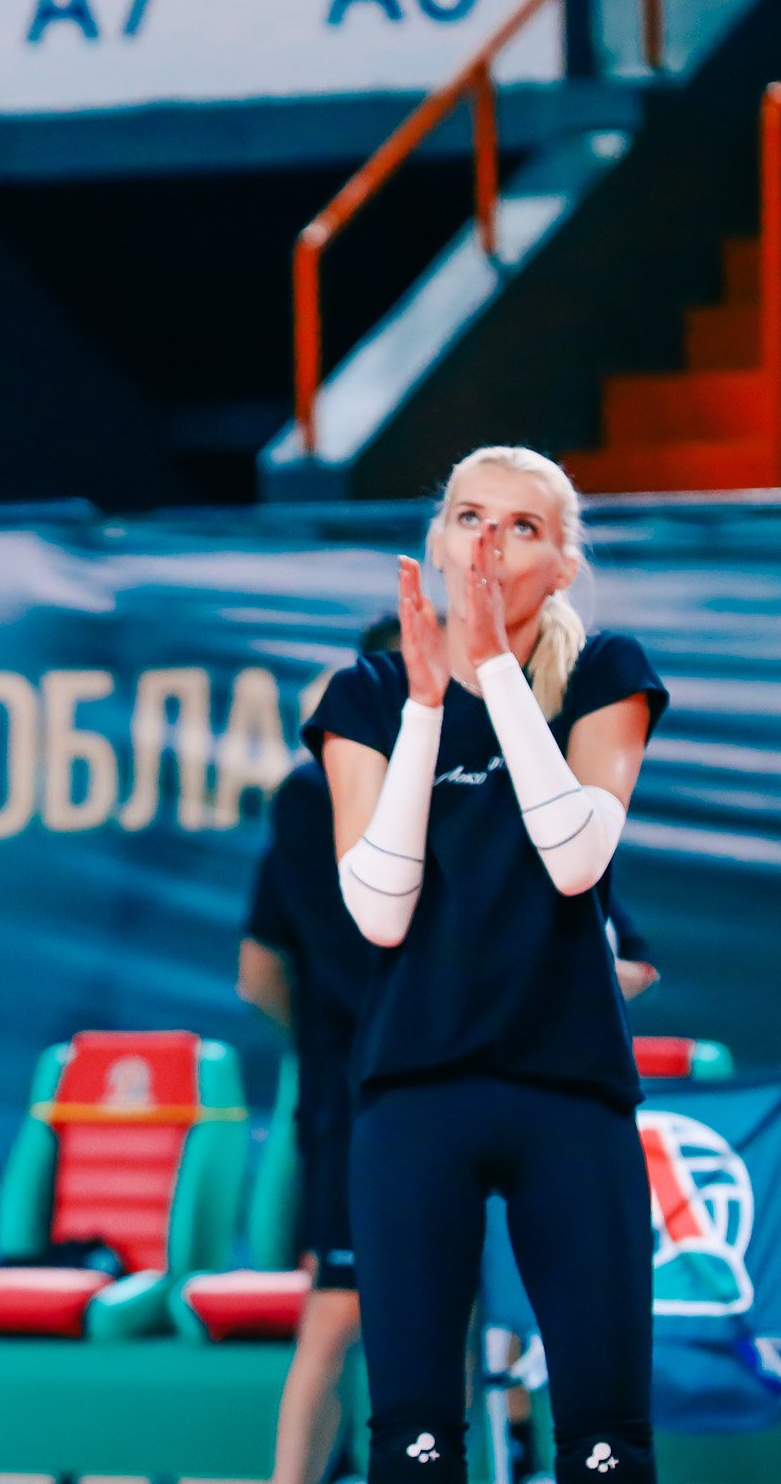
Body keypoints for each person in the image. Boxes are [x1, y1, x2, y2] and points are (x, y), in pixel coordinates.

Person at [309, 446, 665, 1484]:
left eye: (521, 527)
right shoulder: (370, 694)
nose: (489, 545)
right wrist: (427, 709)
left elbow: (575, 859)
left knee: (606, 1437)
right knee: (415, 1435)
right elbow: (379, 913)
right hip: (415, 1089)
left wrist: (495, 670)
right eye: (469, 518)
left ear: (562, 565)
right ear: (436, 539)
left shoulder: (606, 672)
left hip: (570, 1087)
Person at [238, 617, 396, 1484]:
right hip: (367, 1103)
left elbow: (257, 974)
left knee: (427, 1312)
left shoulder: (304, 799)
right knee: (342, 1311)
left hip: (361, 1095)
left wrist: (314, 1046)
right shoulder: (318, 800)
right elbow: (259, 974)